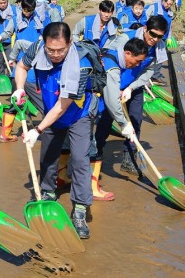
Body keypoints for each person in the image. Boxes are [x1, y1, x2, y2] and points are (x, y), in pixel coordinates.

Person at [13, 22, 93, 239]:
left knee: (79, 160)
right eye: (51, 50)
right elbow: (21, 67)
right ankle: (47, 192)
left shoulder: (82, 65)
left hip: (77, 114)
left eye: (61, 50)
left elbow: (62, 107)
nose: (55, 55)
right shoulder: (37, 47)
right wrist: (19, 90)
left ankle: (79, 209)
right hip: (51, 108)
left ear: (70, 43)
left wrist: (37, 129)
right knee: (48, 154)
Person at [106, 15, 170, 176]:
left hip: (134, 85)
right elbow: (107, 58)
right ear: (145, 29)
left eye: (159, 36)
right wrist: (116, 87)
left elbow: (149, 70)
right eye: (153, 34)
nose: (155, 39)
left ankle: (129, 158)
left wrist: (131, 88)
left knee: (135, 119)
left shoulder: (159, 48)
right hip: (112, 83)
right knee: (105, 120)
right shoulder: (126, 38)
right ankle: (94, 157)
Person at [90, 37, 149, 200]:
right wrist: (124, 124)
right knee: (90, 143)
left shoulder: (113, 56)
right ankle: (90, 186)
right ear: (127, 53)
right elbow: (112, 100)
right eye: (137, 61)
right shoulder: (112, 67)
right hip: (86, 106)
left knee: (83, 142)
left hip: (90, 104)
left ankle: (74, 179)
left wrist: (129, 89)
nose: (137, 65)